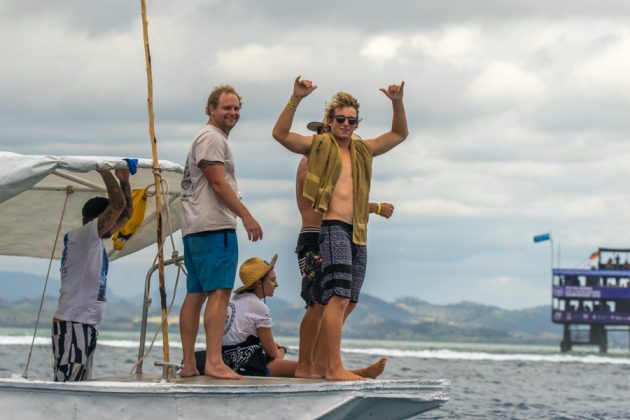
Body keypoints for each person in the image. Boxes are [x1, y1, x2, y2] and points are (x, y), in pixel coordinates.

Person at [272, 76, 408, 381]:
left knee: (348, 299)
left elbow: (399, 133)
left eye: (351, 120)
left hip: (356, 231)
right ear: (329, 122)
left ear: (357, 123)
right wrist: (296, 98)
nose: (345, 124)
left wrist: (397, 103)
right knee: (329, 299)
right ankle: (328, 367)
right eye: (339, 119)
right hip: (326, 230)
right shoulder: (316, 152)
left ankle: (325, 364)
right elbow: (280, 134)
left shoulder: (360, 152)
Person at [179, 84, 263, 380]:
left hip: (195, 226)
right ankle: (213, 361)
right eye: (227, 107)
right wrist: (246, 215)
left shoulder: (207, 138)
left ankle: (190, 363)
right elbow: (217, 183)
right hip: (214, 225)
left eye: (237, 108)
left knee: (196, 292)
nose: (233, 113)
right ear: (211, 109)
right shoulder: (211, 138)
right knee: (219, 292)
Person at [194, 255, 386, 379]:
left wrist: (277, 349)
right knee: (308, 368)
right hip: (247, 364)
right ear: (258, 283)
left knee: (304, 365)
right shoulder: (258, 307)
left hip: (225, 358)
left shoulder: (234, 300)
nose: (276, 284)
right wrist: (280, 352)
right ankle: (361, 373)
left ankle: (357, 372)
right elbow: (271, 352)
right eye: (272, 280)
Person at [295, 151, 393, 378]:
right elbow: (327, 201)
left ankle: (322, 364)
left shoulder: (332, 160)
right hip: (315, 237)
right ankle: (305, 366)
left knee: (344, 302)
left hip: (337, 236)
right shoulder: (310, 161)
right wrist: (373, 207)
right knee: (318, 303)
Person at [52, 168, 133, 382]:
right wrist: (105, 171)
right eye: (110, 221)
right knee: (70, 383)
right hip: (72, 324)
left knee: (82, 384)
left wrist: (124, 180)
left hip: (85, 326)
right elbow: (118, 206)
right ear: (98, 219)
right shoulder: (83, 237)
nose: (115, 227)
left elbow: (125, 214)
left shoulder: (93, 241)